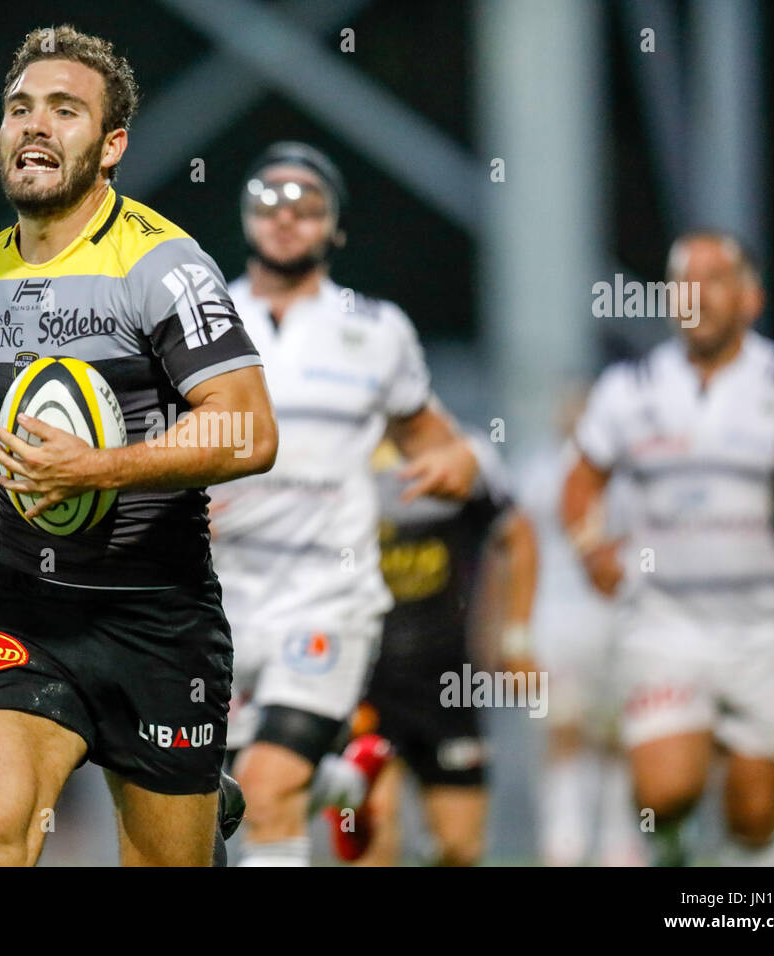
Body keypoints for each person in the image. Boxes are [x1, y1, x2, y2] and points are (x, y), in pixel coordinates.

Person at [0, 24, 277, 867]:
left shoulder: (164, 265)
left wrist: (96, 468)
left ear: (111, 146)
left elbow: (248, 428)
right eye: (19, 109)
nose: (35, 125)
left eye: (64, 112)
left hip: (159, 618)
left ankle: (201, 801)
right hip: (28, 611)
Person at [205, 142, 481, 867]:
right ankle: (342, 780)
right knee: (214, 803)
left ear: (336, 229)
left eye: (308, 206)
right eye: (269, 201)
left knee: (266, 790)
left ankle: (316, 780)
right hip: (217, 601)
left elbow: (436, 438)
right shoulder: (201, 318)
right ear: (244, 219)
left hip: (329, 596)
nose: (287, 217)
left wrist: (458, 462)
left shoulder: (375, 330)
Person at [562, 232, 774, 865]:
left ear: (750, 297)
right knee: (663, 792)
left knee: (752, 810)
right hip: (666, 623)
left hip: (767, 629)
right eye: (683, 280)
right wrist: (590, 548)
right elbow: (580, 480)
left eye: (714, 278)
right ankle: (678, 861)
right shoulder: (630, 388)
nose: (696, 294)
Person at [342, 433, 536, 866]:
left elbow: (519, 536)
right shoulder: (335, 450)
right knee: (374, 841)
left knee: (460, 848)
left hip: (447, 679)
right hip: (364, 678)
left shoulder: (462, 456)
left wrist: (516, 639)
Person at [515, 388, 644, 866]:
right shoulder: (538, 469)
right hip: (557, 617)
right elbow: (517, 552)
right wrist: (515, 631)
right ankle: (564, 838)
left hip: (614, 616)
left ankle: (618, 841)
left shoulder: (626, 472)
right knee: (563, 730)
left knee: (616, 733)